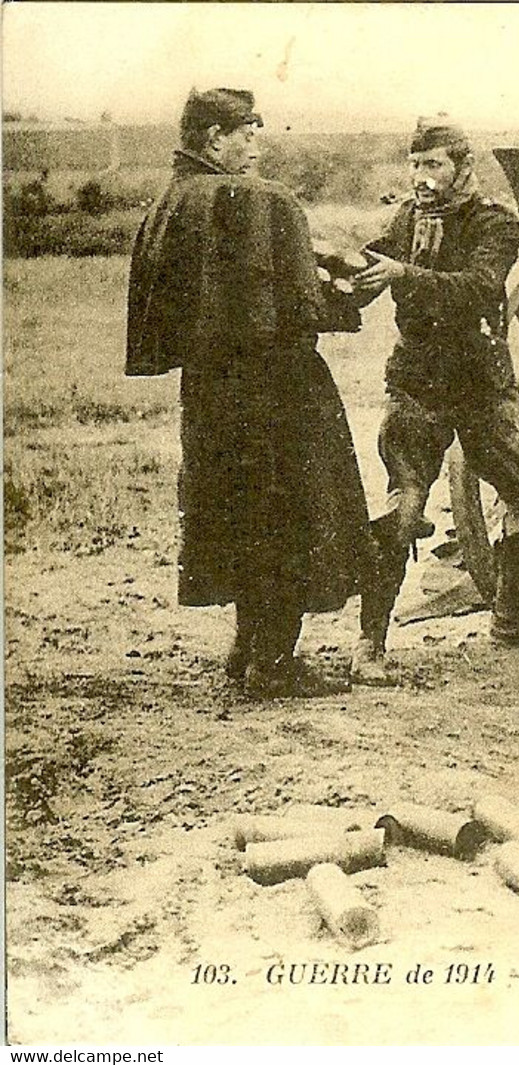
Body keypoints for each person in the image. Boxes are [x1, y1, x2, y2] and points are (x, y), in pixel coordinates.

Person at [125, 88, 370, 698]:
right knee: (292, 513)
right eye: (248, 131)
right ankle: (274, 663)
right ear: (216, 138)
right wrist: (355, 291)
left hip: (210, 389)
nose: (257, 143)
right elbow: (300, 304)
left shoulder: (170, 200)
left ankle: (245, 646)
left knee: (237, 511)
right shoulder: (264, 201)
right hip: (277, 386)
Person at [347, 116, 519, 682]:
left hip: (481, 384)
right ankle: (369, 645)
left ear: (464, 169)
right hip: (418, 381)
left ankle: (511, 625)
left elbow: (481, 288)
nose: (420, 176)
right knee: (403, 508)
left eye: (433, 165)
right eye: (415, 164)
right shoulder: (410, 217)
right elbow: (379, 260)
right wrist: (346, 274)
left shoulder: (495, 223)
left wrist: (401, 273)